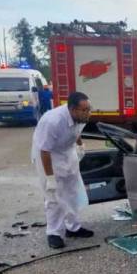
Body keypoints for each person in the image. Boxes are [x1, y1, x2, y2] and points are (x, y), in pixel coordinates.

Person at [31, 92, 93, 249]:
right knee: (54, 196)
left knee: (72, 191)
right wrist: (50, 177)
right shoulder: (52, 121)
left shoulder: (80, 117)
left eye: (89, 109)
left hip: (67, 151)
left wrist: (80, 145)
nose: (88, 113)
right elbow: (44, 150)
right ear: (72, 109)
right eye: (84, 110)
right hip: (48, 155)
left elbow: (76, 131)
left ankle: (73, 227)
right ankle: (54, 233)